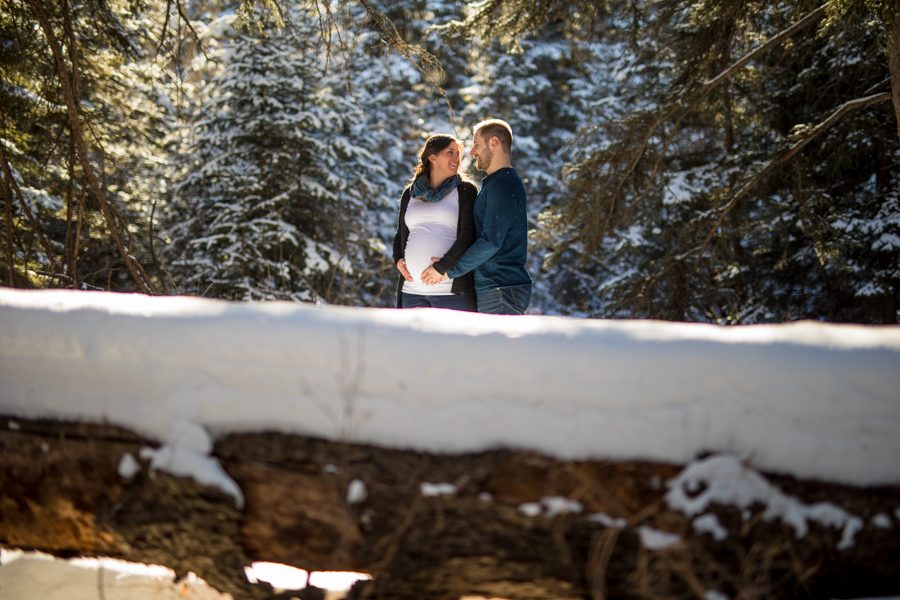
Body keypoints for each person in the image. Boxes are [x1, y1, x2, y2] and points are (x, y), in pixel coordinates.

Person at [421, 119, 532, 314]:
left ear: (493, 143)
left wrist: (447, 271)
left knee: (498, 345)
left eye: (476, 145)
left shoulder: (502, 185)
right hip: (496, 287)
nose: (472, 152)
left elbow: (490, 242)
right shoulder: (496, 183)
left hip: (500, 288)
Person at [392, 134, 477, 310]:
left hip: (449, 291)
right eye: (450, 152)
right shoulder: (410, 193)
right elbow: (401, 233)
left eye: (458, 153)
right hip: (411, 290)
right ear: (432, 158)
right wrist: (398, 258)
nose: (456, 158)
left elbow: (468, 234)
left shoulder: (465, 191)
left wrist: (441, 267)